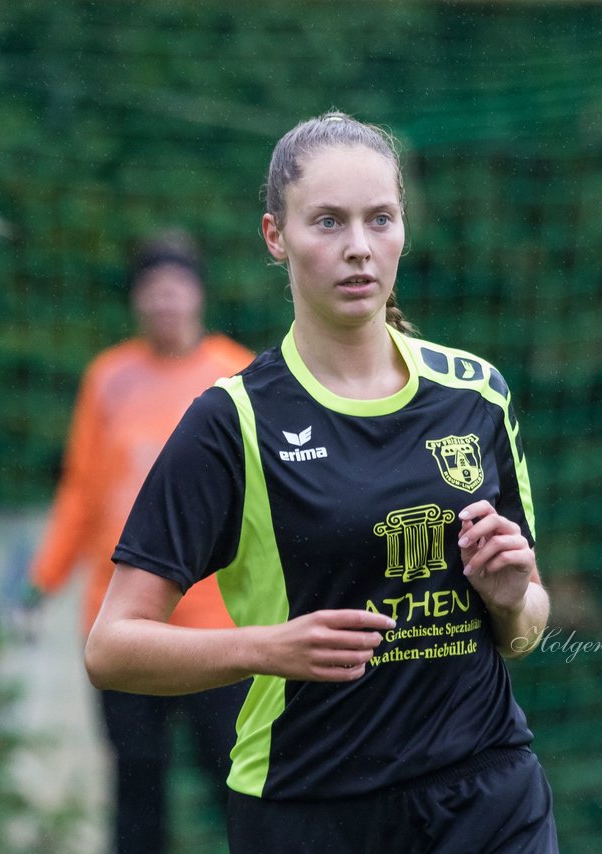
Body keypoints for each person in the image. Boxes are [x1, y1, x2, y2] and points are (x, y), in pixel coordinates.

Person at [85, 112, 558, 853]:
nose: (359, 249)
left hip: (487, 791)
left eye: (381, 220)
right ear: (276, 236)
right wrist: (266, 648)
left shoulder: (476, 394)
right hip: (312, 806)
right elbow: (111, 647)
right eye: (329, 223)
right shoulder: (231, 422)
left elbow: (526, 625)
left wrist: (509, 599)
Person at [26, 231, 253, 854]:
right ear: (136, 302)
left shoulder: (238, 376)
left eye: (175, 289)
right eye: (151, 292)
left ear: (198, 296)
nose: (164, 304)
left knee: (239, 781)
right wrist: (42, 579)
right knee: (136, 784)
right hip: (122, 622)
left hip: (215, 628)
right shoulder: (109, 378)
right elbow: (81, 488)